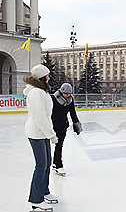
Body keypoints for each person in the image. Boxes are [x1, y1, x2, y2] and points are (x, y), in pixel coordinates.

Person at [23, 64, 59, 211]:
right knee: (41, 166)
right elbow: (39, 117)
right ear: (42, 77)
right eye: (47, 76)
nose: (49, 78)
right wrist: (51, 134)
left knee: (47, 163)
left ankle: (44, 191)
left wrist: (48, 132)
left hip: (42, 132)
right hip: (36, 132)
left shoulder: (41, 91)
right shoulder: (36, 92)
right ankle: (35, 199)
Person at [51, 83, 82, 176]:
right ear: (61, 92)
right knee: (47, 145)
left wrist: (76, 124)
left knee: (59, 145)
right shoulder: (53, 99)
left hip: (63, 126)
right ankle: (50, 162)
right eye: (65, 94)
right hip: (52, 125)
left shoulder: (70, 100)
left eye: (69, 94)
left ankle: (57, 164)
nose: (67, 96)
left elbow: (73, 113)